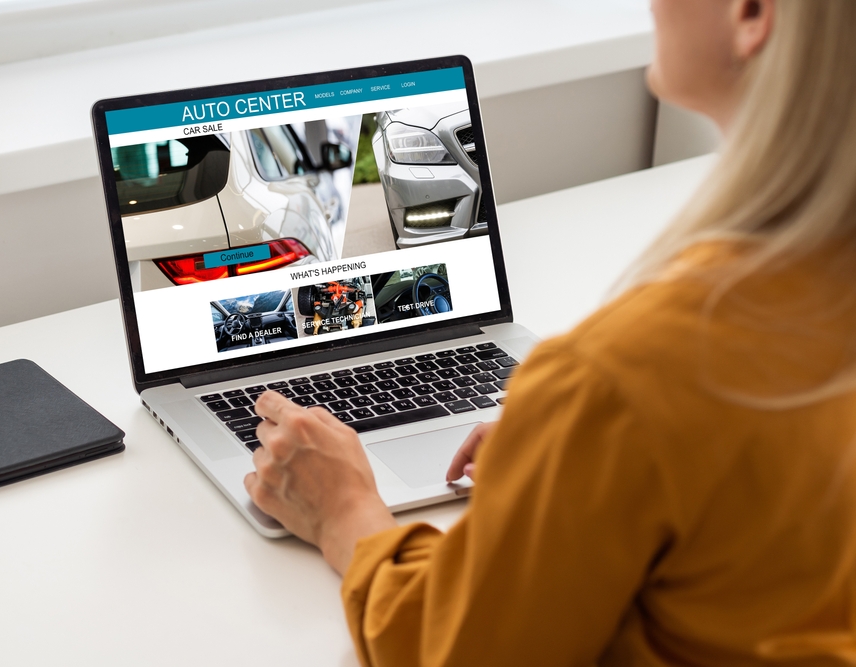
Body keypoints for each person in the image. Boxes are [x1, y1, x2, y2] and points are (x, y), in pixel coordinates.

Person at [244, 0, 856, 663]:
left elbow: (452, 650)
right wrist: (574, 452)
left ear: (752, 11)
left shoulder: (630, 374)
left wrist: (345, 511)